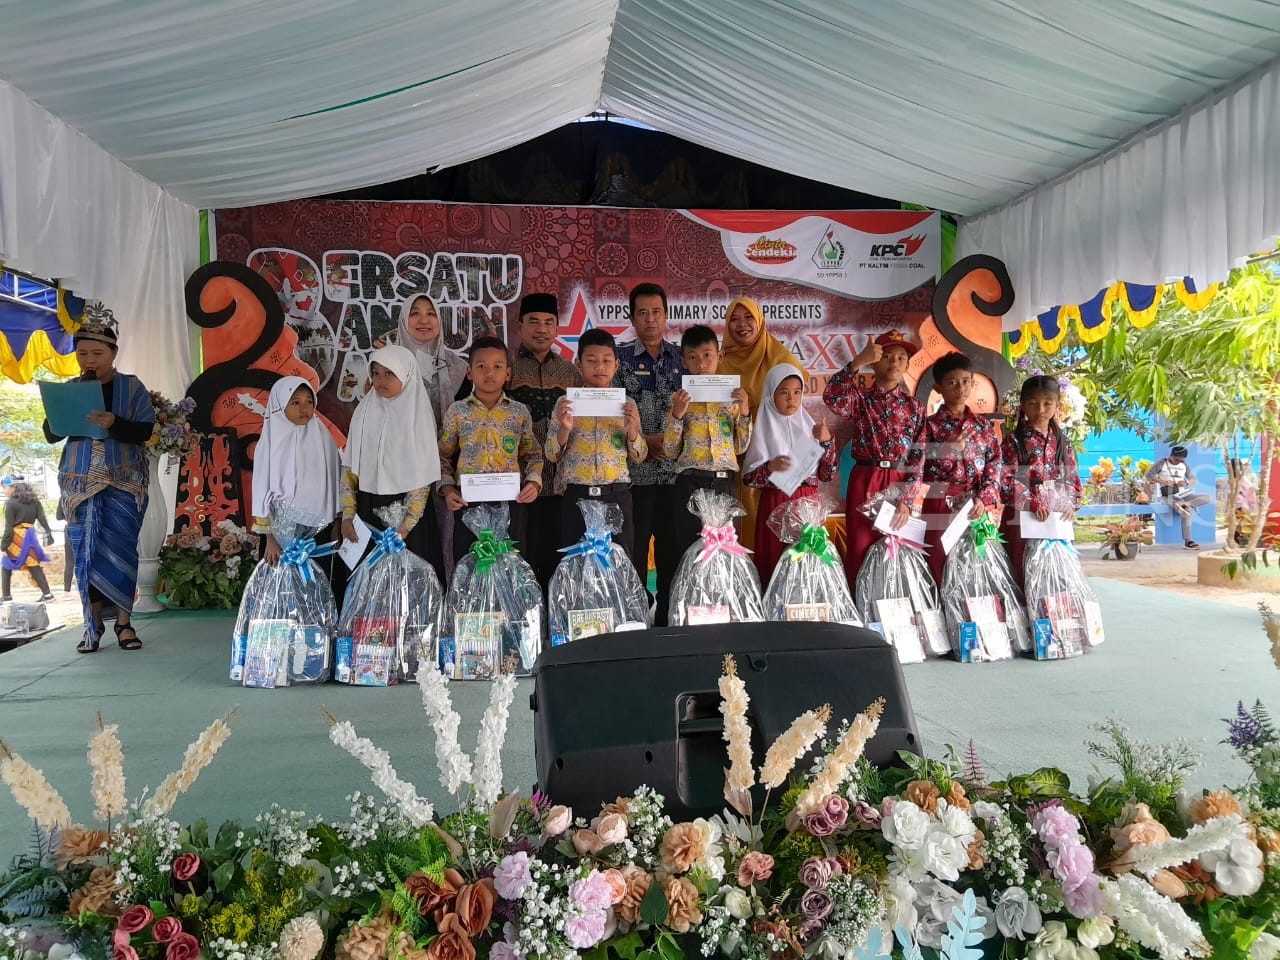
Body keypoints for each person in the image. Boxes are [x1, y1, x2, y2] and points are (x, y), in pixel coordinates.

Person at [43, 303, 155, 653]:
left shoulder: (132, 387)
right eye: (82, 354)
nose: (89, 360)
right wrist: (62, 411)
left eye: (97, 353)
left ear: (113, 354)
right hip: (80, 482)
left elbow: (146, 430)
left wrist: (115, 423)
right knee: (85, 553)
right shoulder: (70, 387)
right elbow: (51, 434)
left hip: (124, 480)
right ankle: (91, 626)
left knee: (122, 550)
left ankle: (124, 623)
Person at [823, 330, 925, 587]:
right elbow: (832, 396)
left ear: (908, 365)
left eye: (901, 358)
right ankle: (861, 603)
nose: (894, 362)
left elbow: (919, 455)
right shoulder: (860, 399)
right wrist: (857, 362)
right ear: (874, 362)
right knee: (861, 545)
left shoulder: (914, 407)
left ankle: (897, 604)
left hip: (899, 480)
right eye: (886, 356)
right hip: (865, 478)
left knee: (898, 548)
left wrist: (907, 499)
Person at [338, 344, 443, 583]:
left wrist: (406, 526)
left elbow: (422, 476)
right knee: (369, 584)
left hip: (409, 518)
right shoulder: (363, 412)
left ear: (406, 374)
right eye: (375, 373)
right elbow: (350, 469)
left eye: (389, 373)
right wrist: (348, 514)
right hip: (367, 510)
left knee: (409, 584)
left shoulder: (418, 416)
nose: (380, 380)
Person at [613, 282, 684, 624]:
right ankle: (637, 621)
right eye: (642, 313)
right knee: (635, 552)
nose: (650, 319)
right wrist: (647, 441)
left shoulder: (684, 359)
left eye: (656, 312)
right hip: (634, 477)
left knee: (673, 552)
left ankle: (670, 620)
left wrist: (665, 442)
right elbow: (611, 412)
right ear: (632, 318)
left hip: (675, 476)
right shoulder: (618, 359)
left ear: (666, 315)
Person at [899, 352, 1003, 584]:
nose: (960, 388)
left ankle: (971, 606)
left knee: (977, 564)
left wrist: (984, 498)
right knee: (940, 561)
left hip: (975, 504)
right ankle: (942, 605)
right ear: (938, 388)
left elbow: (995, 463)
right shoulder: (929, 426)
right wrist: (950, 450)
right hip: (940, 502)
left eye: (966, 381)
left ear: (972, 382)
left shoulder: (983, 425)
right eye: (952, 382)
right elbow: (918, 467)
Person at [437, 336, 542, 562]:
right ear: (469, 372)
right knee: (470, 566)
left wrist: (533, 483)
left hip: (511, 502)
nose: (489, 373)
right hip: (468, 503)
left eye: (497, 366)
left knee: (510, 567)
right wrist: (447, 489)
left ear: (508, 373)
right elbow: (442, 456)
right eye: (482, 366)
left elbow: (533, 454)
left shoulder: (518, 412)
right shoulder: (457, 411)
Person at [547, 329, 645, 558]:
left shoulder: (627, 404)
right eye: (591, 361)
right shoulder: (565, 403)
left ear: (616, 365)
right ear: (578, 364)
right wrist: (564, 429)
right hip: (577, 496)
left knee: (618, 563)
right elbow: (551, 454)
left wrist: (633, 432)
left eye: (606, 361)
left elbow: (639, 456)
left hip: (616, 494)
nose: (599, 367)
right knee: (576, 565)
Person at [508, 292, 583, 587]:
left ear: (557, 328)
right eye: (534, 321)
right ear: (520, 326)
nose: (542, 329)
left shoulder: (570, 372)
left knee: (558, 559)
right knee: (520, 558)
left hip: (560, 485)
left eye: (549, 322)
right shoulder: (506, 368)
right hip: (519, 485)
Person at [717, 296, 805, 548]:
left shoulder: (781, 359)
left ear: (760, 321)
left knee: (770, 527)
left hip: (773, 460)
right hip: (732, 459)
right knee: (736, 523)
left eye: (749, 318)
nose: (742, 324)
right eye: (734, 319)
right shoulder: (719, 363)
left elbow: (796, 409)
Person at [664, 325, 753, 565]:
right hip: (690, 482)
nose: (701, 364)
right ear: (683, 360)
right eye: (693, 357)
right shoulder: (678, 399)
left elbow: (740, 447)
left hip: (724, 483)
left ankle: (723, 591)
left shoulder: (733, 398)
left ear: (720, 356)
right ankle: (692, 591)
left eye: (707, 355)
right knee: (691, 551)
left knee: (725, 552)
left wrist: (745, 412)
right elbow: (670, 450)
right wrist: (677, 416)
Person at [742, 363, 837, 583]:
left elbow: (827, 474)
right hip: (776, 504)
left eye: (797, 392)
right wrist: (769, 468)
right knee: (776, 563)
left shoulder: (812, 428)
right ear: (771, 395)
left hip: (808, 506)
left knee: (807, 565)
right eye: (783, 393)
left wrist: (827, 442)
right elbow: (748, 479)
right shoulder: (762, 431)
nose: (791, 399)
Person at [396, 294, 469, 570]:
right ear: (404, 320)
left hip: (446, 470)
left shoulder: (459, 368)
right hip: (402, 472)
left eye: (431, 313)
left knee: (446, 539)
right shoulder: (388, 367)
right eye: (415, 313)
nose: (424, 320)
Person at [998, 375, 1082, 589]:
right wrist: (1032, 502)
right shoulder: (1013, 441)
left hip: (1056, 517)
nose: (1041, 409)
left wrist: (1070, 501)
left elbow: (1071, 476)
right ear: (1023, 405)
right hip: (1022, 518)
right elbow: (1004, 479)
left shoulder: (1063, 441)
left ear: (1058, 405)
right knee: (1022, 569)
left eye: (1047, 403)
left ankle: (1054, 609)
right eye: (1033, 403)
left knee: (1056, 574)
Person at [250, 377, 341, 565]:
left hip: (320, 531)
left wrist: (337, 524)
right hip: (279, 537)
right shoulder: (270, 443)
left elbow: (337, 482)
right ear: (280, 405)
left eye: (309, 402)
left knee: (316, 579)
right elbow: (261, 491)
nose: (304, 408)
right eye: (295, 402)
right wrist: (270, 538)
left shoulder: (323, 439)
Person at [1146, 444, 1212, 549]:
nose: (1179, 462)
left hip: (1183, 494)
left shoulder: (1184, 464)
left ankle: (1185, 504)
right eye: (1177, 460)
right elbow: (1148, 475)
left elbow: (1193, 479)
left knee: (1208, 497)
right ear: (1171, 455)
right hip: (1167, 494)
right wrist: (1164, 482)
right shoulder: (1162, 463)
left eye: (1181, 460)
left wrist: (1186, 483)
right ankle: (1188, 540)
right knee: (1187, 511)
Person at [1, 476, 55, 602]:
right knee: (33, 563)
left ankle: (6, 596)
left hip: (16, 537)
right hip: (30, 536)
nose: (4, 491)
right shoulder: (34, 501)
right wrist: (49, 534)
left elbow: (9, 527)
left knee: (6, 564)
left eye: (5, 488)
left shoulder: (10, 503)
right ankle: (47, 594)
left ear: (13, 487)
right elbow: (42, 519)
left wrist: (3, 546)